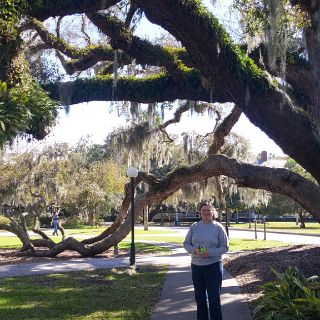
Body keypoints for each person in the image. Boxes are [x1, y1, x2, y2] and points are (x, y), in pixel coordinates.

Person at [183, 200, 229, 320]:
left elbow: (225, 247)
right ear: (200, 212)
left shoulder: (218, 227)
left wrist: (210, 253)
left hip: (213, 266)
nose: (206, 212)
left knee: (214, 299)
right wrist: (194, 250)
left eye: (208, 210)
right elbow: (186, 243)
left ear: (213, 212)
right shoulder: (194, 227)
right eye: (203, 210)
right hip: (196, 267)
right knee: (200, 298)